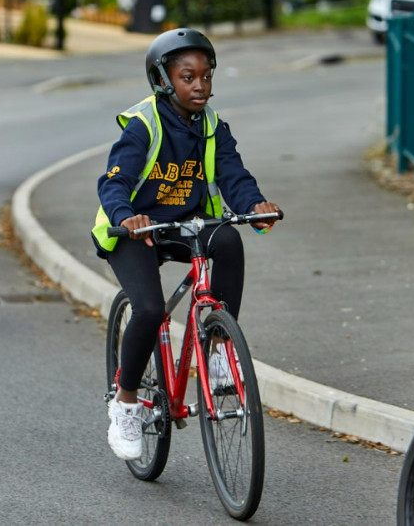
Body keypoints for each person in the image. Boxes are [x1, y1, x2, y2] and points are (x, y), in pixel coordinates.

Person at [92, 28, 281, 461]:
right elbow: (114, 182)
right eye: (187, 77)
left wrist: (256, 205)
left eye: (206, 76)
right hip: (132, 231)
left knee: (229, 240)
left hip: (185, 224)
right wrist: (126, 217)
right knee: (151, 309)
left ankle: (217, 353)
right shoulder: (144, 125)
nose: (200, 86)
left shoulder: (213, 126)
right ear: (163, 81)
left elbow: (234, 174)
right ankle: (124, 401)